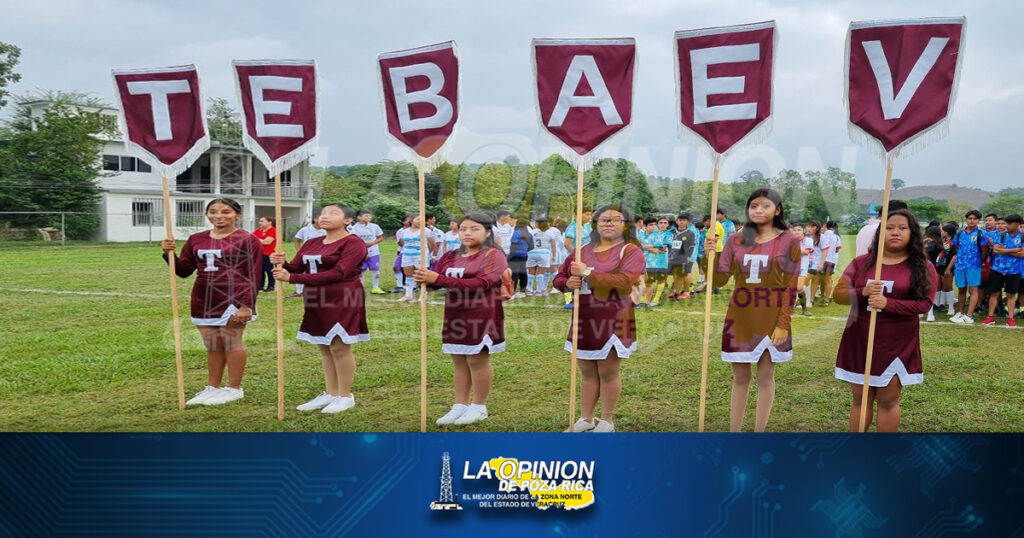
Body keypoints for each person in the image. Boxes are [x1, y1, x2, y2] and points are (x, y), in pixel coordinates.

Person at [833, 209, 937, 432]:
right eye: (889, 228)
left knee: (888, 400)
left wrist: (887, 303)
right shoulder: (862, 263)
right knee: (860, 399)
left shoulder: (922, 267)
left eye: (902, 228)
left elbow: (924, 304)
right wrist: (862, 291)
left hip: (897, 342)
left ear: (913, 233)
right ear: (880, 232)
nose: (895, 232)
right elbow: (838, 294)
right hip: (860, 338)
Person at [706, 189, 801, 432]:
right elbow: (719, 281)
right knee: (740, 378)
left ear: (777, 210)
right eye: (754, 206)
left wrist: (783, 323)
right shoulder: (735, 240)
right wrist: (711, 256)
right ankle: (734, 434)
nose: (758, 210)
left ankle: (759, 435)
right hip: (741, 314)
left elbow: (791, 287)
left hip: (772, 315)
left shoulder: (789, 241)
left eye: (765, 206)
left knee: (765, 378)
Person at [160, 198, 262, 406]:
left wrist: (247, 305)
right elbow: (183, 271)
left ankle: (234, 388)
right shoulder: (196, 238)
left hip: (234, 295)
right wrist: (168, 253)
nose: (219, 216)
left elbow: (254, 273)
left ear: (238, 215)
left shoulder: (247, 239)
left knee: (231, 341)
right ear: (207, 214)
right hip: (203, 296)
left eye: (226, 212)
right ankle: (212, 387)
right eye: (213, 211)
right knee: (212, 344)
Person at [554, 204, 645, 433]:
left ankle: (607, 421)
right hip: (584, 318)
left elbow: (624, 282)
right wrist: (567, 283)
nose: (609, 224)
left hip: (614, 317)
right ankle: (586, 419)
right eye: (604, 220)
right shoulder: (581, 250)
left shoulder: (631, 250)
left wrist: (587, 273)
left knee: (607, 370)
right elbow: (559, 277)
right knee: (586, 371)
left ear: (626, 225)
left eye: (616, 220)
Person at [271, 204, 369, 414]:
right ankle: (331, 392)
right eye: (323, 213)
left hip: (342, 297)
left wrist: (293, 278)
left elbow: (339, 272)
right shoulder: (312, 242)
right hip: (315, 297)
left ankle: (345, 395)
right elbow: (298, 267)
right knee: (324, 347)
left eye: (333, 213)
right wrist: (283, 264)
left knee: (339, 346)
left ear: (347, 220)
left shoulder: (354, 243)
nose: (325, 216)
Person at [415, 213, 508, 426]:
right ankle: (459, 405)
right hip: (455, 312)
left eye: (474, 229)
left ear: (488, 232)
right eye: (463, 228)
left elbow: (481, 284)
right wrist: (425, 278)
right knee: (458, 359)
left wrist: (438, 278)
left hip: (482, 313)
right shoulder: (450, 255)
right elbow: (437, 280)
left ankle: (479, 406)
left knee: (477, 359)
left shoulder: (494, 255)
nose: (467, 233)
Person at [981, 214, 1022, 328]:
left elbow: (1023, 253)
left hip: (1014, 270)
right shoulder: (1001, 235)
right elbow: (996, 250)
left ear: (1017, 224)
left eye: (1009, 223)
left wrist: (1004, 250)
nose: (1006, 226)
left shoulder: (1022, 236)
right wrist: (1015, 250)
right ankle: (990, 317)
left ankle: (1010, 318)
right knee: (994, 293)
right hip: (997, 268)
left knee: (1011, 294)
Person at [950, 210, 986, 324]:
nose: (972, 220)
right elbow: (956, 247)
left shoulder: (981, 234)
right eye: (970, 218)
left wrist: (979, 262)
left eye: (974, 219)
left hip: (974, 266)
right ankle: (960, 312)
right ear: (966, 220)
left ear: (979, 220)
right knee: (961, 289)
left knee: (973, 290)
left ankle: (969, 316)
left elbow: (985, 251)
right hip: (960, 266)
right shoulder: (959, 233)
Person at [397, 213, 436, 303]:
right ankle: (408, 295)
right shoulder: (405, 231)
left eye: (422, 219)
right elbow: (403, 242)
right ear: (411, 220)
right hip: (407, 255)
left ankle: (423, 293)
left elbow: (432, 244)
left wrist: (427, 254)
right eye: (417, 219)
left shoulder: (426, 231)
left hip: (420, 255)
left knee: (420, 274)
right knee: (408, 274)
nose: (420, 221)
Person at [349, 210, 385, 295]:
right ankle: (360, 288)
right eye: (365, 216)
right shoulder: (354, 228)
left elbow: (380, 237)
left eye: (369, 216)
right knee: (361, 270)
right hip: (360, 252)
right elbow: (353, 240)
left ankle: (375, 287)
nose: (368, 218)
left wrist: (371, 243)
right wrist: (363, 246)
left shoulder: (374, 226)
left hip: (374, 252)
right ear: (359, 217)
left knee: (375, 269)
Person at [563, 209, 594, 309]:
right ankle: (569, 301)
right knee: (571, 278)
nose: (589, 216)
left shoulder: (587, 227)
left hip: (586, 257)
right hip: (574, 257)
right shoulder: (573, 227)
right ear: (578, 214)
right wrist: (575, 256)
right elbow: (567, 244)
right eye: (587, 214)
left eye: (590, 214)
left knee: (585, 277)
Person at [291, 217, 327, 298]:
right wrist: (299, 251)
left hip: (320, 255)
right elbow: (297, 239)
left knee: (318, 273)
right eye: (320, 218)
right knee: (300, 272)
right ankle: (299, 291)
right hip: (306, 255)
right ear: (315, 219)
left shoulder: (326, 230)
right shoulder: (305, 230)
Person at [640, 217, 668, 308]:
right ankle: (642, 299)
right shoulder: (640, 234)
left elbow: (657, 249)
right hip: (641, 262)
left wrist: (643, 247)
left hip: (655, 262)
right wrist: (649, 247)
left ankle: (651, 301)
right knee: (641, 282)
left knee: (652, 282)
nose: (654, 226)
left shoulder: (658, 235)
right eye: (651, 225)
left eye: (655, 225)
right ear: (645, 226)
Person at [667, 213, 696, 301]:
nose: (682, 222)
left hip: (684, 257)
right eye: (680, 220)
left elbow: (692, 246)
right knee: (675, 274)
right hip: (673, 257)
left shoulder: (690, 233)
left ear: (687, 222)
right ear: (677, 221)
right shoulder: (672, 232)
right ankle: (677, 290)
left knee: (684, 274)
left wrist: (688, 256)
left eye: (684, 221)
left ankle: (687, 292)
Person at [526, 218, 558, 296]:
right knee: (541, 272)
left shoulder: (532, 232)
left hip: (532, 252)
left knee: (531, 272)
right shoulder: (550, 233)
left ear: (537, 224)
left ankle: (529, 290)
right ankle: (539, 291)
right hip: (544, 253)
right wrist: (554, 255)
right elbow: (553, 246)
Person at [934, 223, 959, 316]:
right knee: (939, 286)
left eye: (943, 231)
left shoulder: (954, 242)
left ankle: (951, 308)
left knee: (948, 287)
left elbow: (954, 256)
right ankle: (937, 304)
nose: (941, 232)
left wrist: (948, 268)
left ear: (947, 232)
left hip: (947, 267)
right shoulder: (943, 241)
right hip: (939, 266)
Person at [791, 223, 814, 317]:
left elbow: (806, 251)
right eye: (794, 230)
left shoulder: (808, 240)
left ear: (803, 230)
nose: (796, 232)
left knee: (799, 288)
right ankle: (790, 308)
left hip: (802, 267)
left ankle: (804, 309)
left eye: (799, 230)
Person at [507, 220, 532, 298]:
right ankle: (522, 291)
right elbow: (532, 246)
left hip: (515, 255)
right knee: (523, 272)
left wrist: (510, 256)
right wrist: (524, 250)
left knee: (514, 273)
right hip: (524, 255)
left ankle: (512, 291)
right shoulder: (529, 234)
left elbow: (513, 245)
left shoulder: (516, 233)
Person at [253, 216, 277, 292]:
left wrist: (256, 239)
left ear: (269, 222)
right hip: (259, 253)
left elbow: (267, 242)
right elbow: (250, 237)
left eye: (262, 221)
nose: (260, 223)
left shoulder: (273, 230)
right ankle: (260, 286)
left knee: (269, 270)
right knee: (260, 271)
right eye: (260, 221)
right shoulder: (259, 230)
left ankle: (271, 286)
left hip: (268, 254)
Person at [923, 224, 943, 322]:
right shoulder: (934, 243)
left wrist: (924, 242)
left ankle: (930, 313)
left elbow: (924, 250)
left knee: (928, 290)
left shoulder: (935, 244)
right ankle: (922, 311)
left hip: (928, 268)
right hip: (926, 267)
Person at [820, 221, 840, 305]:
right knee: (827, 279)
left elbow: (822, 243)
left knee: (826, 279)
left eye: (824, 226)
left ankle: (826, 299)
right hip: (833, 260)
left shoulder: (828, 233)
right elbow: (838, 248)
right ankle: (826, 296)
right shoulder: (837, 236)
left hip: (826, 259)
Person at [391, 215, 412, 293]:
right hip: (403, 251)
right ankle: (400, 285)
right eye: (407, 220)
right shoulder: (401, 231)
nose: (409, 221)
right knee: (397, 267)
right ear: (403, 222)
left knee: (411, 269)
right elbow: (400, 243)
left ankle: (413, 286)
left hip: (413, 252)